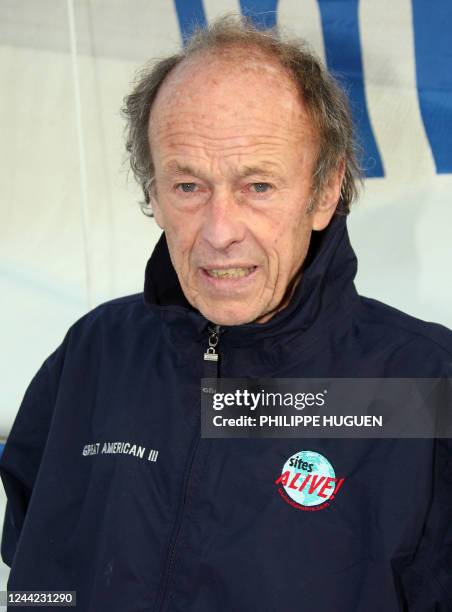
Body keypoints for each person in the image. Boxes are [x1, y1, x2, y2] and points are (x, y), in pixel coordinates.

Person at [1, 14, 451, 611]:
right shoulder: (94, 353)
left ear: (324, 192)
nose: (219, 231)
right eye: (188, 186)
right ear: (153, 194)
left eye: (257, 186)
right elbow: (38, 570)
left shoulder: (421, 383)